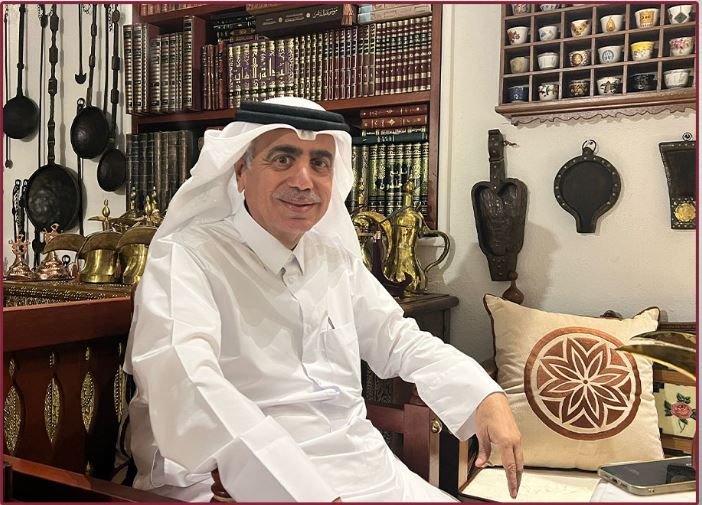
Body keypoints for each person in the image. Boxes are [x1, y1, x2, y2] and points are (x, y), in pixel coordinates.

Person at [125, 97, 523, 502]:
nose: (304, 181)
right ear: (241, 171)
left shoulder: (332, 258)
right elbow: (190, 383)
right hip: (236, 481)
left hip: (361, 466)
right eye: (283, 159)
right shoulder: (187, 257)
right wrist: (305, 491)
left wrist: (482, 393)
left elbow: (397, 338)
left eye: (320, 163)